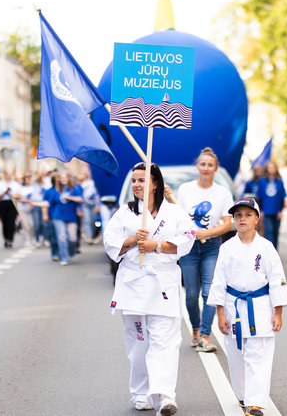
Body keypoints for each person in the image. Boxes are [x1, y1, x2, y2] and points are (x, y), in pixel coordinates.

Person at [103, 162, 196, 415]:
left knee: (165, 341)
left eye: (142, 180)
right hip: (134, 284)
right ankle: (141, 393)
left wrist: (157, 245)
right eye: (134, 180)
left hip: (163, 284)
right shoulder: (124, 213)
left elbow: (189, 236)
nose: (136, 185)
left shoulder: (175, 213)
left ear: (155, 183)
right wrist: (133, 241)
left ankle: (164, 395)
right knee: (139, 345)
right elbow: (110, 244)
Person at [207, 197, 287, 416]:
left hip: (260, 306)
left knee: (258, 355)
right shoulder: (226, 248)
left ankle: (255, 402)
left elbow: (277, 280)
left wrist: (278, 312)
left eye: (248, 215)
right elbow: (218, 281)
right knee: (235, 355)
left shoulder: (266, 247)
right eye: (238, 215)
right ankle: (243, 395)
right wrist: (220, 313)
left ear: (257, 219)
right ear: (233, 219)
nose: (242, 219)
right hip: (233, 305)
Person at [177, 147, 234, 352]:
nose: (206, 168)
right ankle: (195, 328)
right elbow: (179, 218)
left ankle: (205, 335)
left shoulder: (222, 192)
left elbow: (228, 224)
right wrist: (193, 233)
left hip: (211, 247)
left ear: (216, 168)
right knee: (191, 293)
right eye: (203, 164)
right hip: (189, 248)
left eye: (210, 165)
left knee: (210, 292)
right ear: (197, 166)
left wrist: (206, 234)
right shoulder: (184, 189)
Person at [49, 173, 83, 265]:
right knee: (62, 237)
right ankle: (64, 257)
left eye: (65, 177)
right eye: (61, 178)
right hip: (58, 216)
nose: (63, 179)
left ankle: (71, 253)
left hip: (71, 217)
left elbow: (81, 199)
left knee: (72, 239)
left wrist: (70, 198)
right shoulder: (56, 190)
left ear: (68, 178)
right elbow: (49, 202)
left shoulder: (74, 189)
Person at [256, 161, 287, 248]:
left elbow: (282, 197)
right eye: (270, 167)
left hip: (276, 211)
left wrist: (281, 211)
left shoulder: (279, 181)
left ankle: (275, 252)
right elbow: (259, 197)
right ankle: (270, 251)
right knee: (268, 231)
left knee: (275, 232)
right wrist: (261, 210)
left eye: (273, 167)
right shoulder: (263, 181)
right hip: (266, 211)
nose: (271, 169)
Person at [0, 172, 20, 248]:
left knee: (11, 222)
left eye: (10, 175)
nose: (8, 177)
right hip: (3, 204)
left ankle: (11, 239)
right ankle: (6, 238)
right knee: (5, 222)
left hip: (12, 203)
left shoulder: (15, 184)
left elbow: (18, 195)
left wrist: (12, 194)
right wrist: (5, 192)